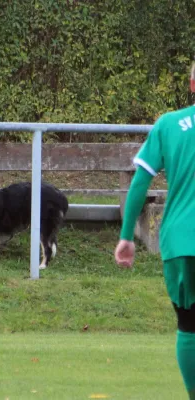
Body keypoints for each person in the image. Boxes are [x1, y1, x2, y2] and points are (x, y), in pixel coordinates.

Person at [114, 64, 195, 399]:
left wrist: (126, 236)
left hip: (180, 239)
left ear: (192, 84)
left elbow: (140, 181)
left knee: (189, 326)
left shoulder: (169, 124)